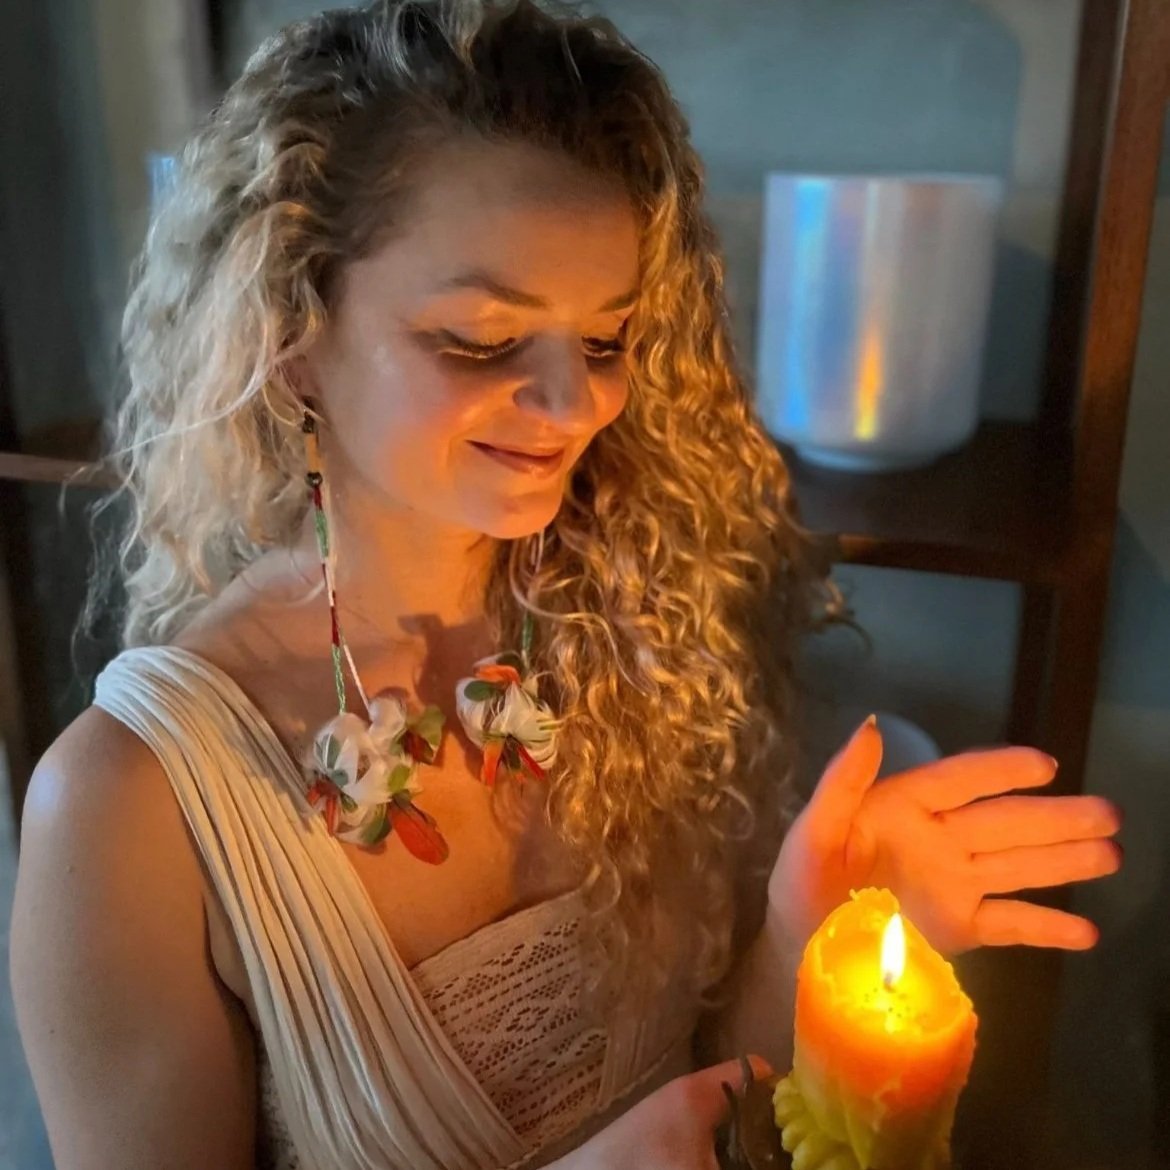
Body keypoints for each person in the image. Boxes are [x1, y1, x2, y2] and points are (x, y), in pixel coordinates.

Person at [10, 2, 1122, 1168]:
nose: (573, 405)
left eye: (605, 340)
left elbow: (707, 1106)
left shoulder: (632, 624)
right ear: (290, 333)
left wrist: (806, 932)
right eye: (484, 341)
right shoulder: (128, 805)